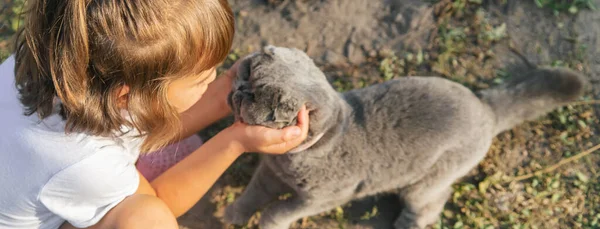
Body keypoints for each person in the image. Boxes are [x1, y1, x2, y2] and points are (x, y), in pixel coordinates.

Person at [0, 0, 310, 228]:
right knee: (149, 221)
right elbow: (156, 201)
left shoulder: (66, 56)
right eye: (201, 79)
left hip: (52, 180)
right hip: (56, 197)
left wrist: (224, 97)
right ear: (128, 96)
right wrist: (235, 142)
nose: (213, 78)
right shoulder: (83, 163)